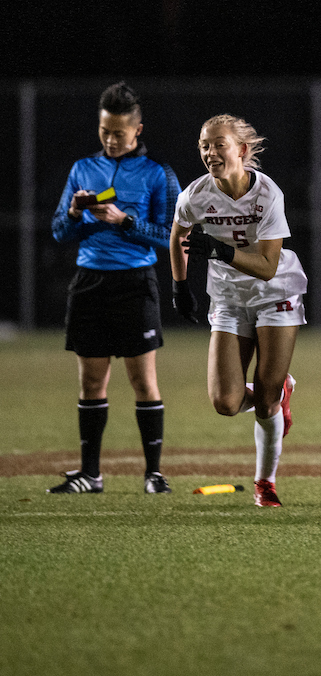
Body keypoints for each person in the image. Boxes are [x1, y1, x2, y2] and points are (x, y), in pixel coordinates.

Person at [49, 81, 180, 495]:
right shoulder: (81, 169)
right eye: (104, 131)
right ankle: (91, 474)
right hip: (89, 282)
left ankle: (153, 474)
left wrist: (125, 221)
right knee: (91, 383)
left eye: (119, 133)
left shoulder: (158, 173)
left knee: (143, 383)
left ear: (137, 129)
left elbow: (173, 237)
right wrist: (73, 213)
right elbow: (58, 232)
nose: (110, 140)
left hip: (135, 283)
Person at [169, 115, 306, 508]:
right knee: (226, 403)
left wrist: (222, 250)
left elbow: (266, 266)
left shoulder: (267, 194)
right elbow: (179, 235)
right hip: (228, 298)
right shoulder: (194, 195)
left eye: (218, 144)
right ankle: (280, 390)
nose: (210, 152)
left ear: (242, 150)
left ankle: (266, 483)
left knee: (265, 403)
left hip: (275, 292)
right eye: (204, 145)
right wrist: (180, 287)